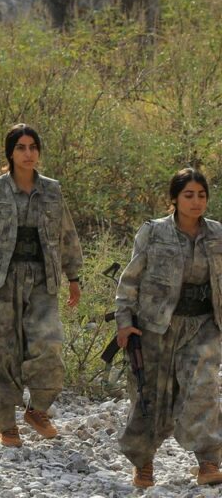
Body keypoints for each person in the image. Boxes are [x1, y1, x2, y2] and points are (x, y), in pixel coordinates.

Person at [0, 123, 82, 447]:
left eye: (33, 147)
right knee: (1, 351)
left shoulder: (52, 190)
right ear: (10, 153)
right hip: (1, 281)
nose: (28, 154)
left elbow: (67, 235)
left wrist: (74, 277)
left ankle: (38, 409)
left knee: (49, 344)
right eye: (21, 148)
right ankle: (6, 425)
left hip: (42, 279)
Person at [114, 168, 222, 488]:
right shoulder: (153, 232)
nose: (196, 201)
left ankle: (209, 461)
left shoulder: (217, 234)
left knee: (202, 388)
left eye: (201, 195)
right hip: (156, 327)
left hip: (203, 325)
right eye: (188, 195)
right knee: (150, 395)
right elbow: (130, 280)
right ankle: (143, 463)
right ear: (174, 198)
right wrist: (124, 322)